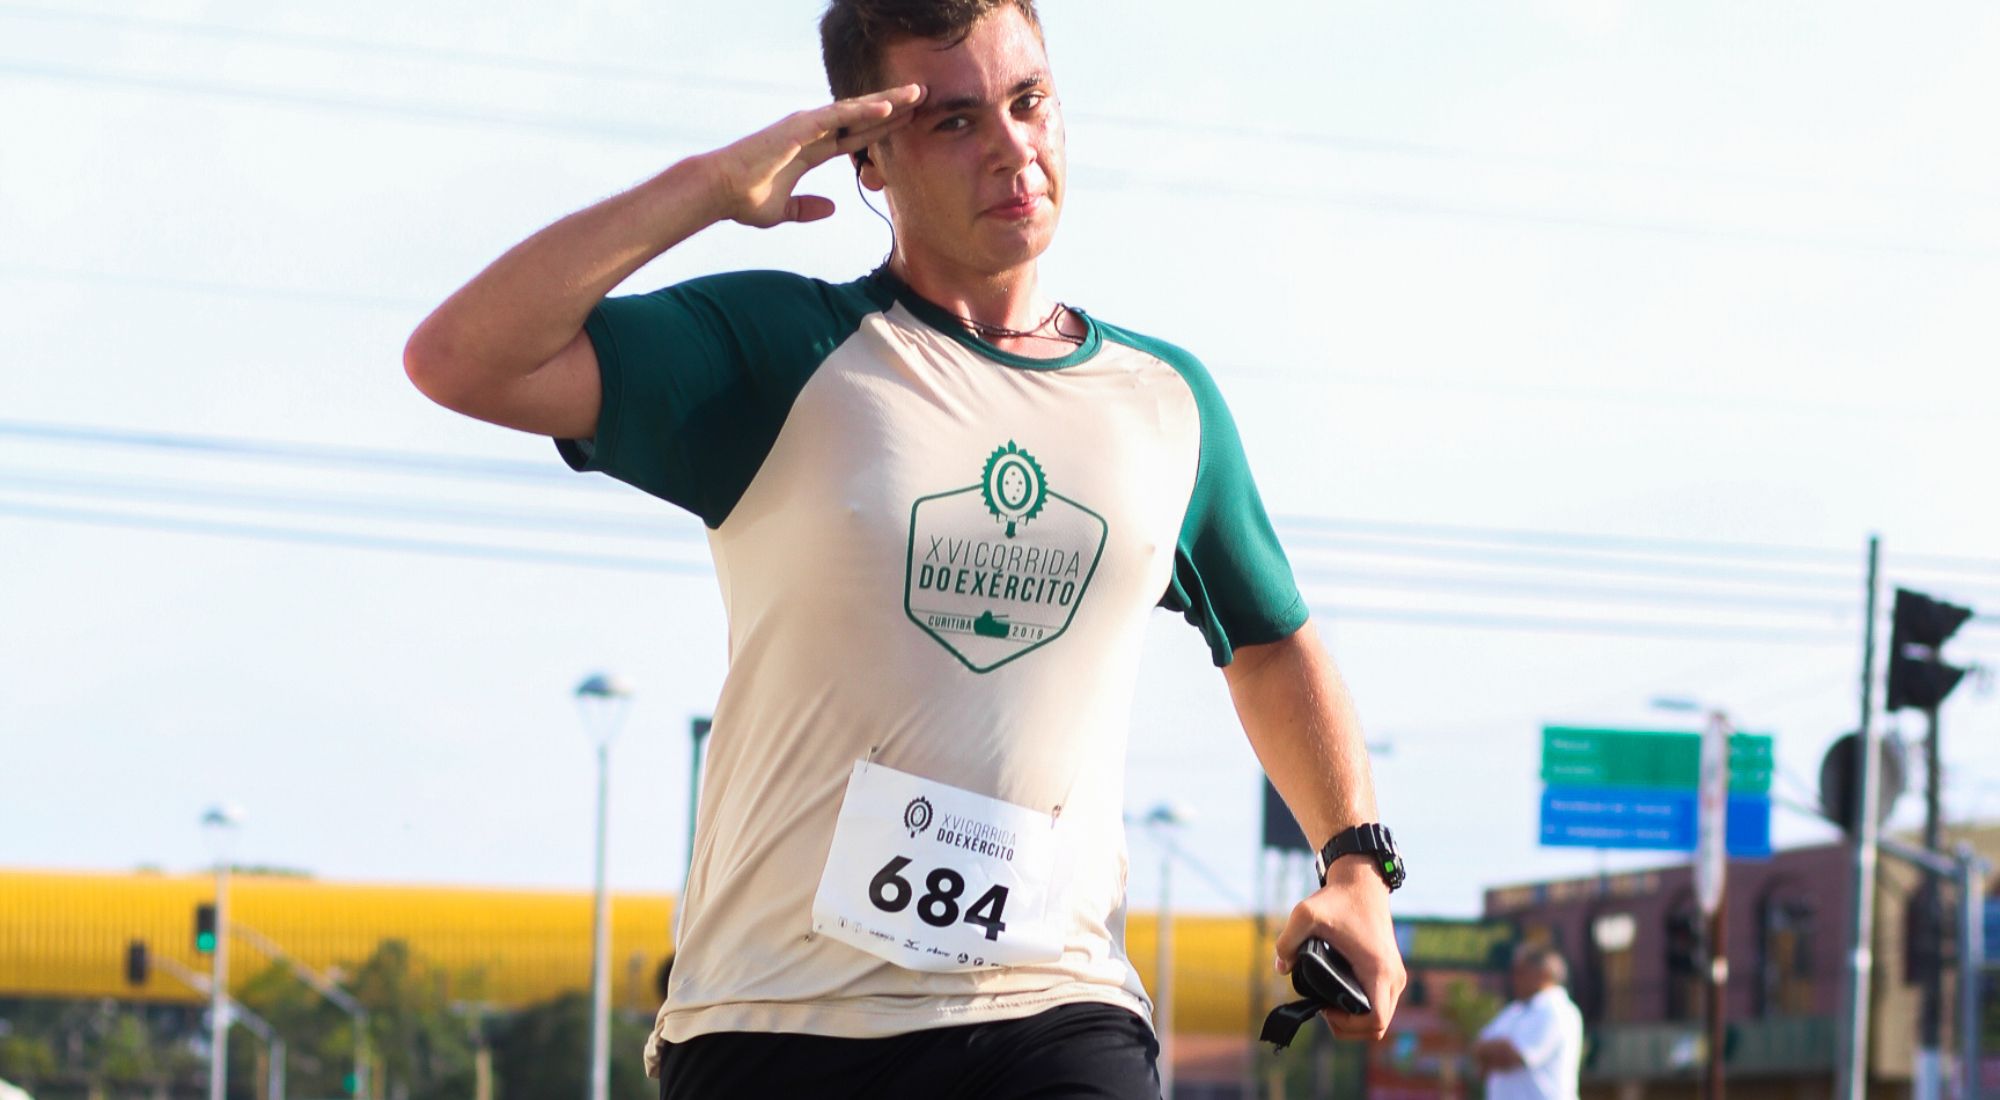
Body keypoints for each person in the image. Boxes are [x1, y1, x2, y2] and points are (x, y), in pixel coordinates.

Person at [404, 0, 1406, 1094]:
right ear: (867, 157)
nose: (1012, 146)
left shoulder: (1164, 403)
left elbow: (1267, 640)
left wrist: (1354, 862)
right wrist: (706, 188)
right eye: (955, 122)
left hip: (1051, 1004)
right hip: (775, 1017)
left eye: (1029, 103)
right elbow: (462, 356)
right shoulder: (777, 350)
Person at [1474, 945, 1585, 1100]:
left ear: (1544, 974)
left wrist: (1493, 1054)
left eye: (1521, 972)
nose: (1514, 979)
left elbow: (1512, 1057)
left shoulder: (1556, 1010)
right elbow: (1477, 1048)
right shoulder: (1514, 1010)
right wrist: (1492, 1052)